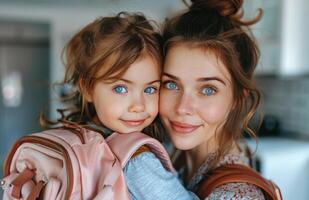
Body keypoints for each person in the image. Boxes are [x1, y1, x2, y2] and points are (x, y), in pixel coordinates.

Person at [41, 12, 197, 200]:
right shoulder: (138, 160)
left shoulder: (78, 136)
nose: (138, 106)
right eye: (121, 88)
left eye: (150, 89)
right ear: (88, 88)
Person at [159, 0, 267, 199]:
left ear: (237, 98)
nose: (183, 108)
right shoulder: (173, 156)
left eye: (208, 90)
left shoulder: (236, 195)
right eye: (171, 85)